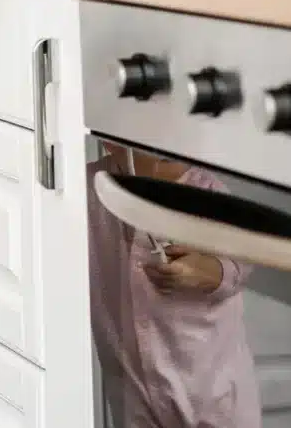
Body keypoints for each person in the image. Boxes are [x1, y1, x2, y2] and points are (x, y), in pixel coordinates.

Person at [87, 141, 261, 428]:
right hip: (132, 391)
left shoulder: (210, 195)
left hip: (211, 395)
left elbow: (242, 258)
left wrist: (210, 270)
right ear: (111, 142)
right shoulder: (91, 190)